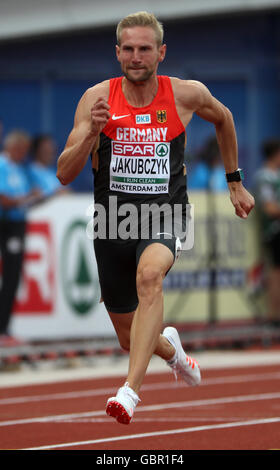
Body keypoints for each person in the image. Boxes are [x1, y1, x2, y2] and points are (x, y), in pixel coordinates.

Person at [57, 11, 255, 424]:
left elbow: (225, 119)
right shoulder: (96, 99)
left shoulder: (186, 94)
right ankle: (173, 351)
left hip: (166, 213)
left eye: (144, 48)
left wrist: (234, 181)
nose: (135, 56)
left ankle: (129, 392)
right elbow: (64, 172)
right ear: (117, 53)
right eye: (127, 49)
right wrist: (92, 134)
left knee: (150, 278)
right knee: (131, 339)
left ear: (161, 53)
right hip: (113, 221)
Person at [0, 130, 41, 346]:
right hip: (7, 224)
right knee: (9, 276)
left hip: (17, 224)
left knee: (13, 276)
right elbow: (4, 199)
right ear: (14, 148)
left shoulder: (18, 168)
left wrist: (32, 198)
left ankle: (4, 328)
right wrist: (27, 198)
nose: (24, 154)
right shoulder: (3, 165)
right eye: (22, 150)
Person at [253, 139, 280, 326]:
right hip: (274, 232)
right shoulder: (264, 177)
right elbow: (269, 208)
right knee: (276, 273)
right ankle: (274, 315)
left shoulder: (276, 176)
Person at [28, 134, 66, 198]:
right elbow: (34, 195)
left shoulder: (53, 172)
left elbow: (65, 190)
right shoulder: (29, 172)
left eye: (52, 150)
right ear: (37, 151)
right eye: (46, 150)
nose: (50, 153)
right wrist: (56, 193)